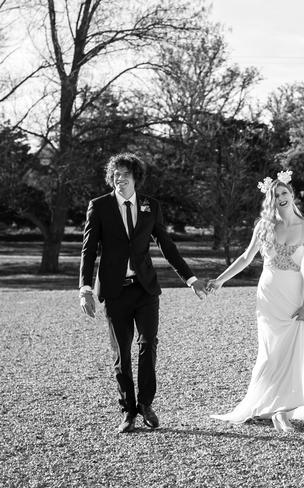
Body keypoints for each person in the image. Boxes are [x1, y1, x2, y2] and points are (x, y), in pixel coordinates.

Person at [79, 152, 208, 433]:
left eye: (125, 174)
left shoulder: (151, 206)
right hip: (114, 291)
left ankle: (146, 404)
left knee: (148, 344)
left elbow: (167, 245)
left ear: (135, 177)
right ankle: (128, 411)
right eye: (115, 175)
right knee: (121, 353)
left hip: (145, 289)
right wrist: (85, 288)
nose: (119, 179)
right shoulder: (99, 206)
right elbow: (89, 250)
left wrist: (191, 278)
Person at [207, 170, 304, 432]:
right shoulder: (263, 226)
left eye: (284, 193)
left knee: (292, 351)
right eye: (275, 194)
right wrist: (221, 280)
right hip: (268, 296)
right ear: (270, 200)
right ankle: (266, 403)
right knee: (270, 351)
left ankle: (284, 411)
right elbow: (245, 258)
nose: (280, 197)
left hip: (294, 295)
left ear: (292, 196)